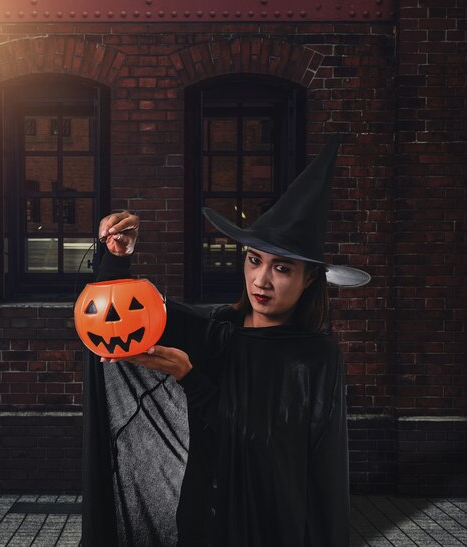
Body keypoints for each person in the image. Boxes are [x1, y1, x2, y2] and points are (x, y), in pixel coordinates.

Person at [81, 136, 370, 547]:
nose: (261, 280)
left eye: (282, 268)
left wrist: (191, 378)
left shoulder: (315, 358)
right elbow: (118, 313)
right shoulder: (217, 328)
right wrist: (117, 254)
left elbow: (271, 450)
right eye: (254, 260)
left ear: (310, 279)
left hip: (271, 527)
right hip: (202, 521)